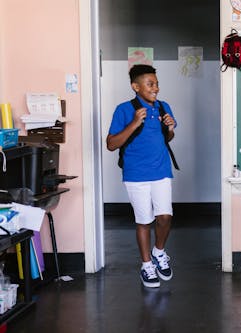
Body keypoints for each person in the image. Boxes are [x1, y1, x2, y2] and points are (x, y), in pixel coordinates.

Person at [107, 64, 176, 288]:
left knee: (165, 217)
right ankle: (146, 265)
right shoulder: (123, 110)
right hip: (136, 174)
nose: (155, 87)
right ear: (135, 87)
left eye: (156, 83)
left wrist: (171, 127)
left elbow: (167, 137)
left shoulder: (164, 107)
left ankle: (158, 252)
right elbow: (111, 144)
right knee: (144, 220)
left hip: (162, 170)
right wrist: (135, 123)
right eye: (150, 84)